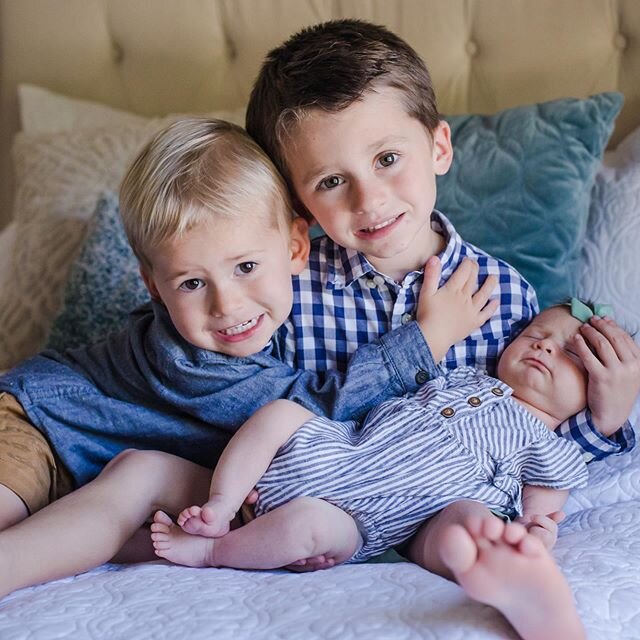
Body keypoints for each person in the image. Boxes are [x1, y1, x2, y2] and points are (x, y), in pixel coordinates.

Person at [0, 115, 495, 597]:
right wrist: (426, 338)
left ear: (297, 247)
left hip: (111, 468)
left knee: (138, 506)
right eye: (192, 283)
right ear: (153, 286)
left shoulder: (306, 318)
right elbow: (314, 410)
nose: (227, 305)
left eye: (246, 267)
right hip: (35, 422)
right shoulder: (196, 360)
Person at [244, 18, 640, 572]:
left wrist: (605, 418)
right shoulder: (290, 293)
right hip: (324, 507)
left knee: (469, 524)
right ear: (300, 203)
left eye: (386, 158)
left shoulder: (499, 293)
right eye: (332, 181)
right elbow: (260, 404)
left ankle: (508, 575)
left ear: (438, 147)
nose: (370, 199)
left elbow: (531, 431)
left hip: (444, 511)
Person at [150, 302, 600, 640]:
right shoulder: (462, 376)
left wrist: (534, 531)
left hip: (371, 522)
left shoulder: (548, 446)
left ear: (594, 389)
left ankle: (513, 577)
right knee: (280, 412)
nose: (543, 346)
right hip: (338, 450)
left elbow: (544, 509)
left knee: (470, 521)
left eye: (568, 354)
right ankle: (222, 504)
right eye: (536, 334)